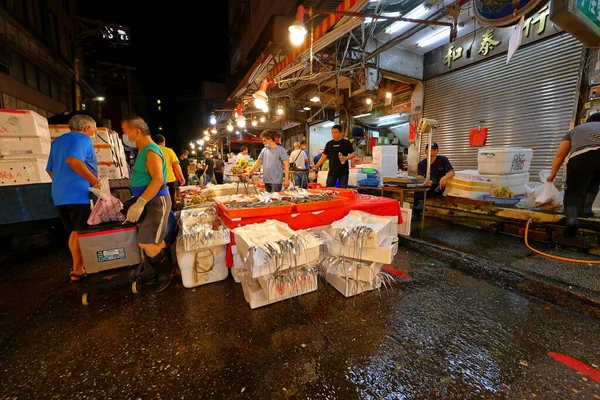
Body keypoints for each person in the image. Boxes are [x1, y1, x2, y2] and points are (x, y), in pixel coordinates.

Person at [122, 116, 174, 292]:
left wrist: (141, 201)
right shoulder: (143, 150)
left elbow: (158, 179)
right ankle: (164, 271)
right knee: (155, 240)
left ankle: (165, 273)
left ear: (136, 131)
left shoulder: (151, 150)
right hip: (148, 202)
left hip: (155, 201)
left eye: (124, 131)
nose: (124, 135)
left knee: (146, 242)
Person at [45, 114, 99, 282]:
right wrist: (95, 182)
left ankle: (78, 267)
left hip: (60, 194)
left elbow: (50, 170)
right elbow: (73, 160)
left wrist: (63, 183)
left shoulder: (57, 142)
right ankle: (78, 270)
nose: (95, 131)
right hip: (80, 194)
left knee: (75, 232)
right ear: (87, 127)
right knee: (82, 232)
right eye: (94, 128)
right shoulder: (83, 139)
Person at [548, 112, 600, 236]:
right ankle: (586, 211)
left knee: (574, 192)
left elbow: (560, 155)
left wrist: (552, 175)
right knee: (594, 184)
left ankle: (572, 219)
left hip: (582, 157)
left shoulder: (576, 129)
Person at [414, 142, 455, 216]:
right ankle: (418, 211)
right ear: (425, 151)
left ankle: (418, 210)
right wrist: (425, 180)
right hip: (428, 184)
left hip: (439, 185)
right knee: (417, 191)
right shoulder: (421, 163)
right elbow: (419, 176)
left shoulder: (443, 159)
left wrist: (445, 177)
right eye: (429, 150)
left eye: (434, 150)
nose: (431, 152)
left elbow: (452, 172)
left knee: (432, 184)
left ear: (437, 151)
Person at [152, 134, 184, 211]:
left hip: (154, 181)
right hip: (169, 179)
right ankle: (171, 214)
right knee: (170, 200)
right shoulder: (169, 151)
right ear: (163, 142)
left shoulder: (149, 151)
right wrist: (181, 177)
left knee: (158, 201)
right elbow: (176, 166)